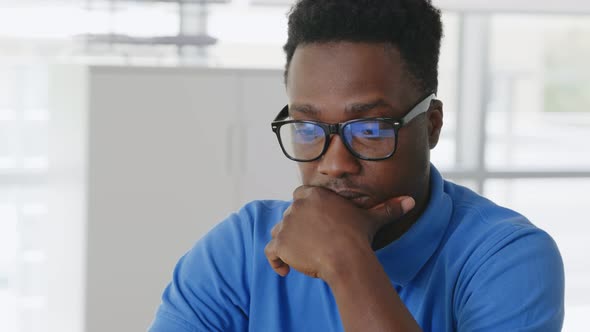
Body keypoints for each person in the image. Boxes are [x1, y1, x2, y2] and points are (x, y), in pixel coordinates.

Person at [149, 0, 565, 331]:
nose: (334, 164)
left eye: (369, 128)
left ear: (431, 125)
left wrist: (346, 260)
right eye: (308, 127)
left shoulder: (507, 259)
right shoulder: (241, 248)